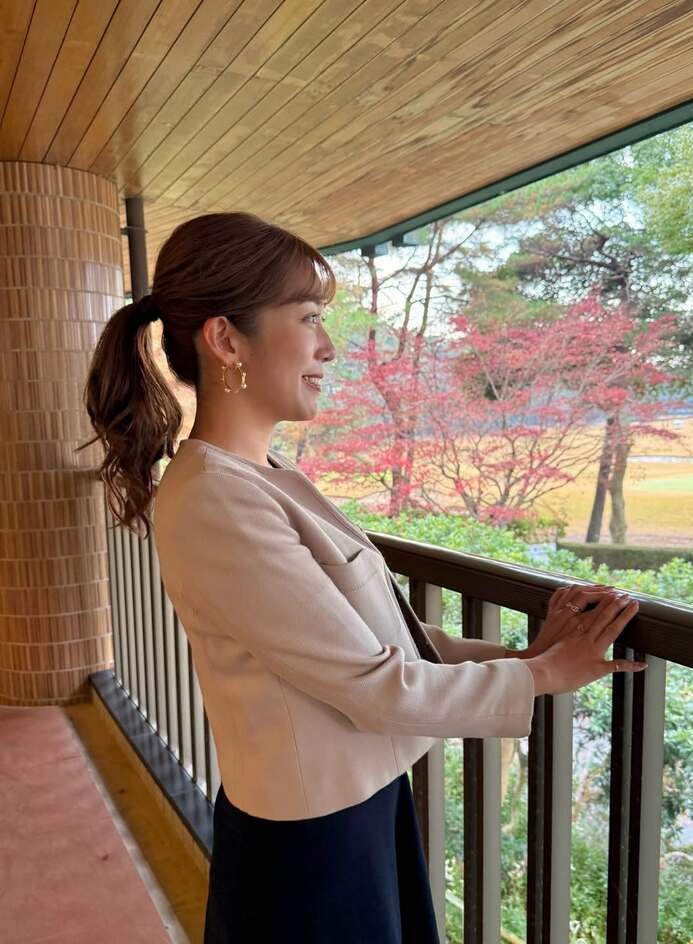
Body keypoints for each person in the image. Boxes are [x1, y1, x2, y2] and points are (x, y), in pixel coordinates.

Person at [80, 211, 646, 943]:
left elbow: (369, 639)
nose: (329, 347)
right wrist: (540, 676)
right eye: (309, 318)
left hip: (352, 811)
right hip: (313, 848)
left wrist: (525, 655)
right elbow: (374, 683)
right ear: (226, 340)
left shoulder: (262, 474)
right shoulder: (216, 499)